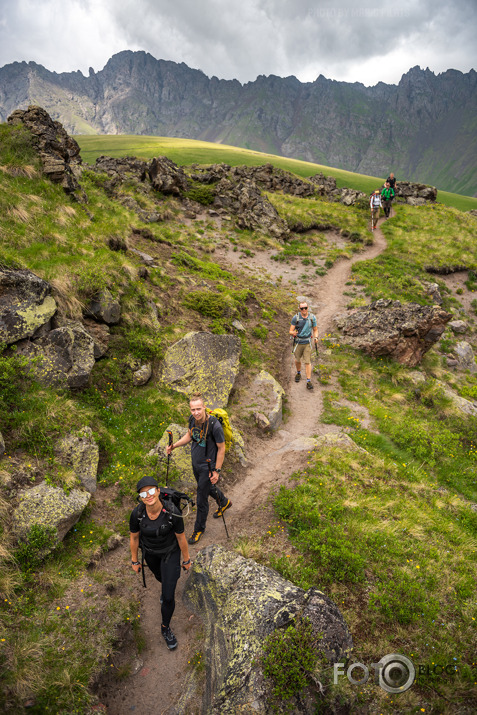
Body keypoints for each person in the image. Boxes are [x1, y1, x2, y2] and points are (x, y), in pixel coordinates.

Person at [130, 476, 191, 650]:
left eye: (151, 491)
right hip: (150, 554)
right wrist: (134, 560)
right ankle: (165, 588)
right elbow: (134, 538)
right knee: (160, 578)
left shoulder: (172, 512)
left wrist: (186, 559)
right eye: (143, 493)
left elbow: (181, 537)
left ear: (158, 491)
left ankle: (165, 627)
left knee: (169, 595)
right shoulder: (137, 514)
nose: (148, 495)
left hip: (170, 553)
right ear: (140, 497)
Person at [166, 394, 231, 545]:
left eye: (198, 409)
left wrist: (217, 471)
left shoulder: (214, 426)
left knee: (201, 498)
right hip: (196, 463)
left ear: (204, 408)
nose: (196, 412)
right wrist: (174, 445)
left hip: (208, 468)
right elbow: (190, 435)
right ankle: (224, 502)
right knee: (205, 488)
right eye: (193, 409)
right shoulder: (192, 420)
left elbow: (221, 449)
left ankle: (199, 529)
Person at [289, 301, 318, 390]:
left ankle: (308, 381)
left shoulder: (312, 317)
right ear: (299, 309)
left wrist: (316, 337)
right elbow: (290, 331)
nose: (304, 310)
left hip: (307, 343)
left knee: (307, 362)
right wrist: (293, 333)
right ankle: (298, 373)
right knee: (297, 360)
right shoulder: (296, 318)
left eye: (305, 308)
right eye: (302, 308)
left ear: (308, 308)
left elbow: (315, 329)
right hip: (298, 342)